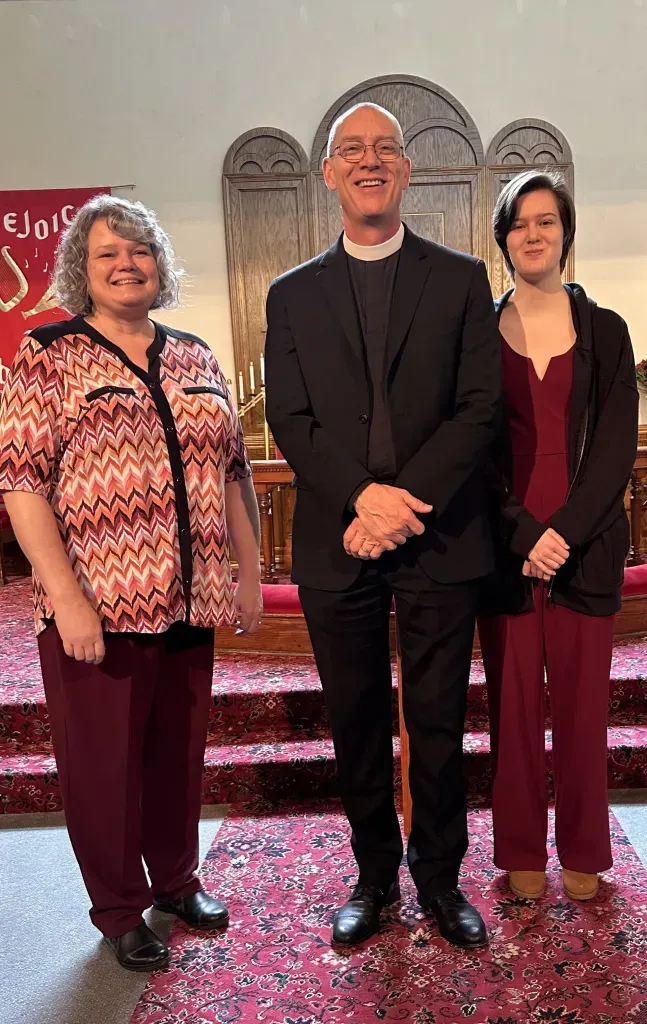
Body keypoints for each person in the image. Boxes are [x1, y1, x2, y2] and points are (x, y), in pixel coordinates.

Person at [0, 196, 262, 971]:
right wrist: (66, 598)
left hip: (191, 599)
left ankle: (176, 881)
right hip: (100, 603)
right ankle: (117, 908)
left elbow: (234, 471)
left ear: (160, 265)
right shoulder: (48, 354)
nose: (126, 264)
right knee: (104, 767)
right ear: (80, 268)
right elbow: (21, 483)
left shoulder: (196, 356)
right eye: (108, 252)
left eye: (140, 250)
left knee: (177, 754)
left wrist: (249, 572)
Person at [265, 103, 500, 949]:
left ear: (405, 168)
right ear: (328, 172)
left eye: (385, 148)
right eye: (352, 150)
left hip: (439, 535)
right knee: (355, 719)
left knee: (437, 722)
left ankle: (438, 878)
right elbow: (291, 419)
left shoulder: (461, 278)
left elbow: (478, 408)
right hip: (339, 540)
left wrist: (399, 504)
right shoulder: (291, 292)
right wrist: (362, 498)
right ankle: (372, 878)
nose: (369, 161)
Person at [478, 170, 638, 902]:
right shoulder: (476, 335)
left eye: (546, 221)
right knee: (511, 709)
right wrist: (522, 534)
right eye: (519, 223)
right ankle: (518, 846)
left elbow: (613, 449)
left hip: (584, 540)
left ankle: (583, 847)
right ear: (503, 238)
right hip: (506, 544)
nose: (533, 234)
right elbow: (473, 451)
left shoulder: (605, 331)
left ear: (566, 233)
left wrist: (562, 535)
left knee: (581, 711)